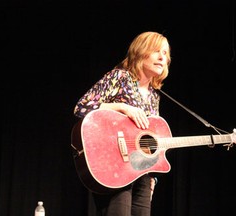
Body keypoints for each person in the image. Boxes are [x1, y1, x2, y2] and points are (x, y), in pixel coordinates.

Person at [73, 31, 171, 216]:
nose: (162, 57)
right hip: (114, 167)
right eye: (156, 51)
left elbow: (149, 142)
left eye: (165, 53)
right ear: (141, 52)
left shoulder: (154, 95)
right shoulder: (119, 77)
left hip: (141, 171)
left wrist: (153, 178)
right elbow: (81, 108)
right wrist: (121, 107)